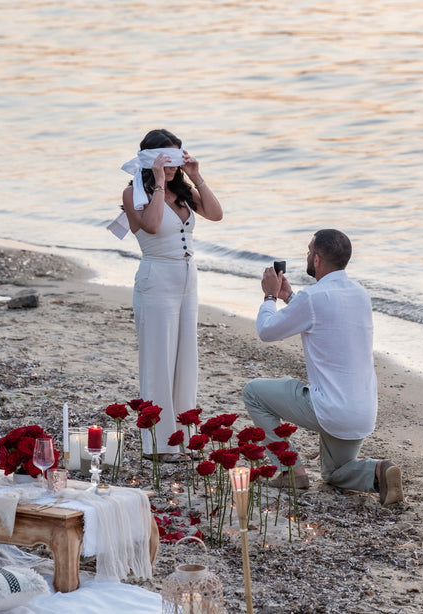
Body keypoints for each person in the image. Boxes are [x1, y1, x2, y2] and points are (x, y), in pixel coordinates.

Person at [242, 229, 404, 505]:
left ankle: (290, 469)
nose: (306, 255)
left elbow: (267, 331)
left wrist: (270, 296)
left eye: (308, 251)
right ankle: (380, 470)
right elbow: (326, 320)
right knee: (335, 472)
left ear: (317, 259)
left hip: (331, 409)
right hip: (362, 411)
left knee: (253, 393)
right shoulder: (360, 294)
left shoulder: (314, 297)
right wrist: (291, 297)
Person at [122, 129, 223, 461]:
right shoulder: (133, 194)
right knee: (158, 361)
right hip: (156, 282)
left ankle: (185, 437)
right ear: (151, 159)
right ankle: (159, 445)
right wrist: (158, 182)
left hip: (187, 281)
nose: (172, 165)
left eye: (177, 158)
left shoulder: (184, 191)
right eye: (167, 158)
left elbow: (216, 213)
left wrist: (196, 176)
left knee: (185, 358)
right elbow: (151, 225)